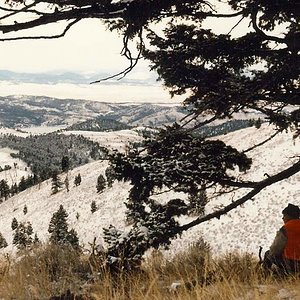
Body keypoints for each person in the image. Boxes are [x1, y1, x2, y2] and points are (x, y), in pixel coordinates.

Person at [263, 203, 300, 275]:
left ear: (289, 216)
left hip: (290, 263)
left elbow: (275, 249)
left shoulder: (286, 228)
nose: (283, 218)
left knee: (268, 254)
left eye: (284, 216)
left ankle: (264, 277)